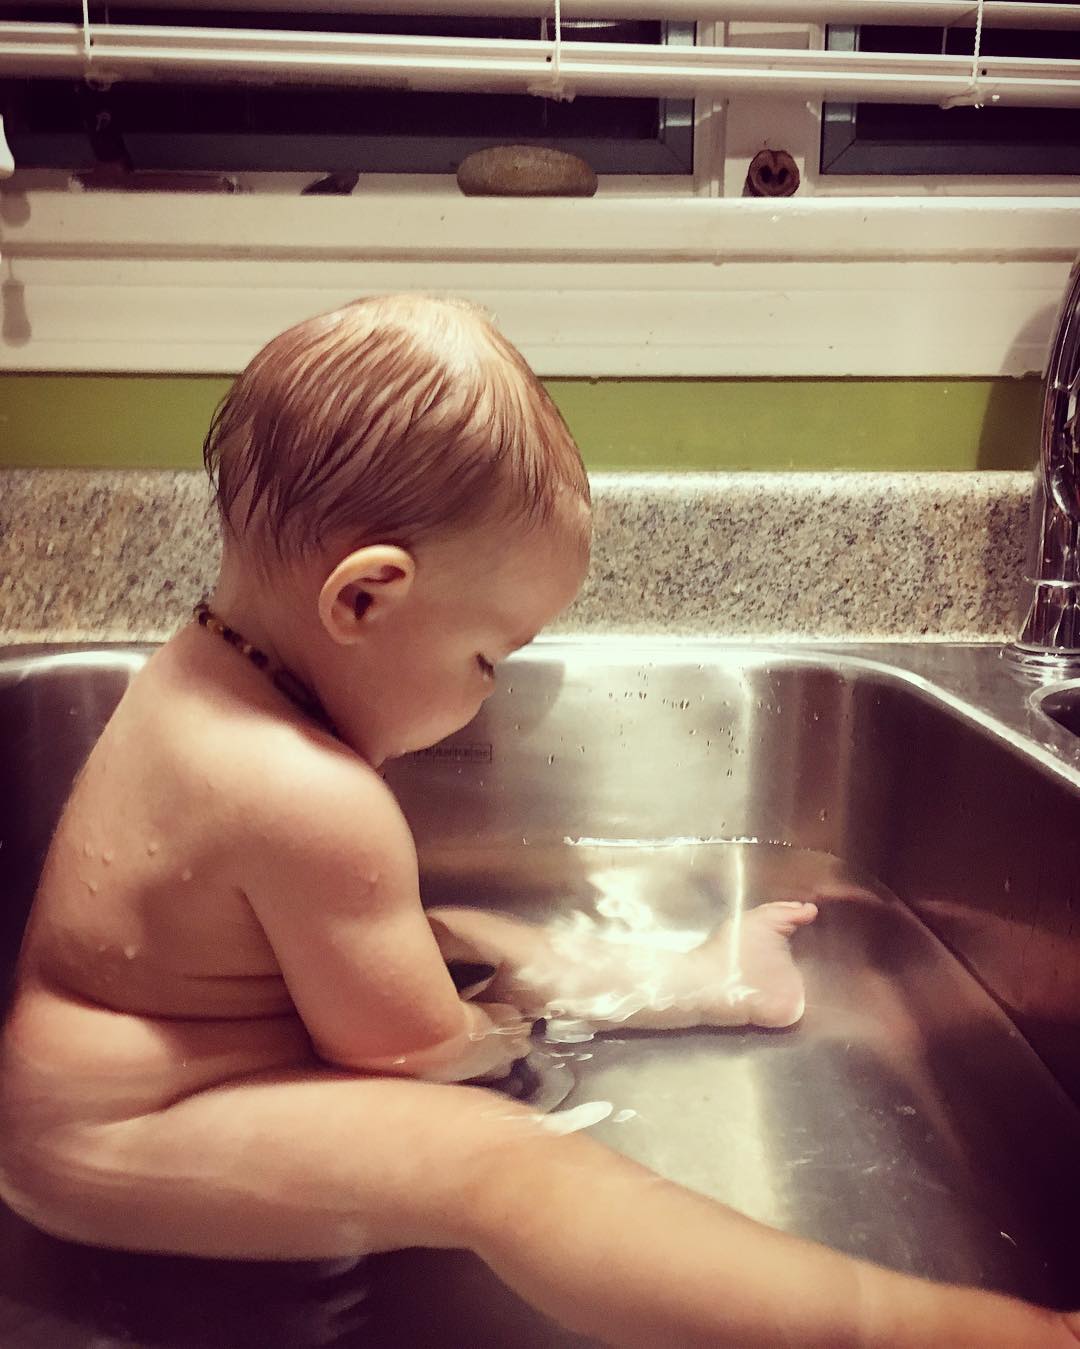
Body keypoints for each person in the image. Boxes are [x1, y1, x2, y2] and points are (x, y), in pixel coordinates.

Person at [0, 294, 1075, 1348]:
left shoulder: (200, 672)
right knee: (505, 1166)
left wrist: (489, 977)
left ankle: (708, 980)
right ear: (364, 599)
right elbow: (413, 1055)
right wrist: (509, 1029)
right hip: (119, 1140)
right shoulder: (309, 797)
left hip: (95, 1098)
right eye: (486, 658)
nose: (492, 697)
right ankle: (964, 1332)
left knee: (452, 939)